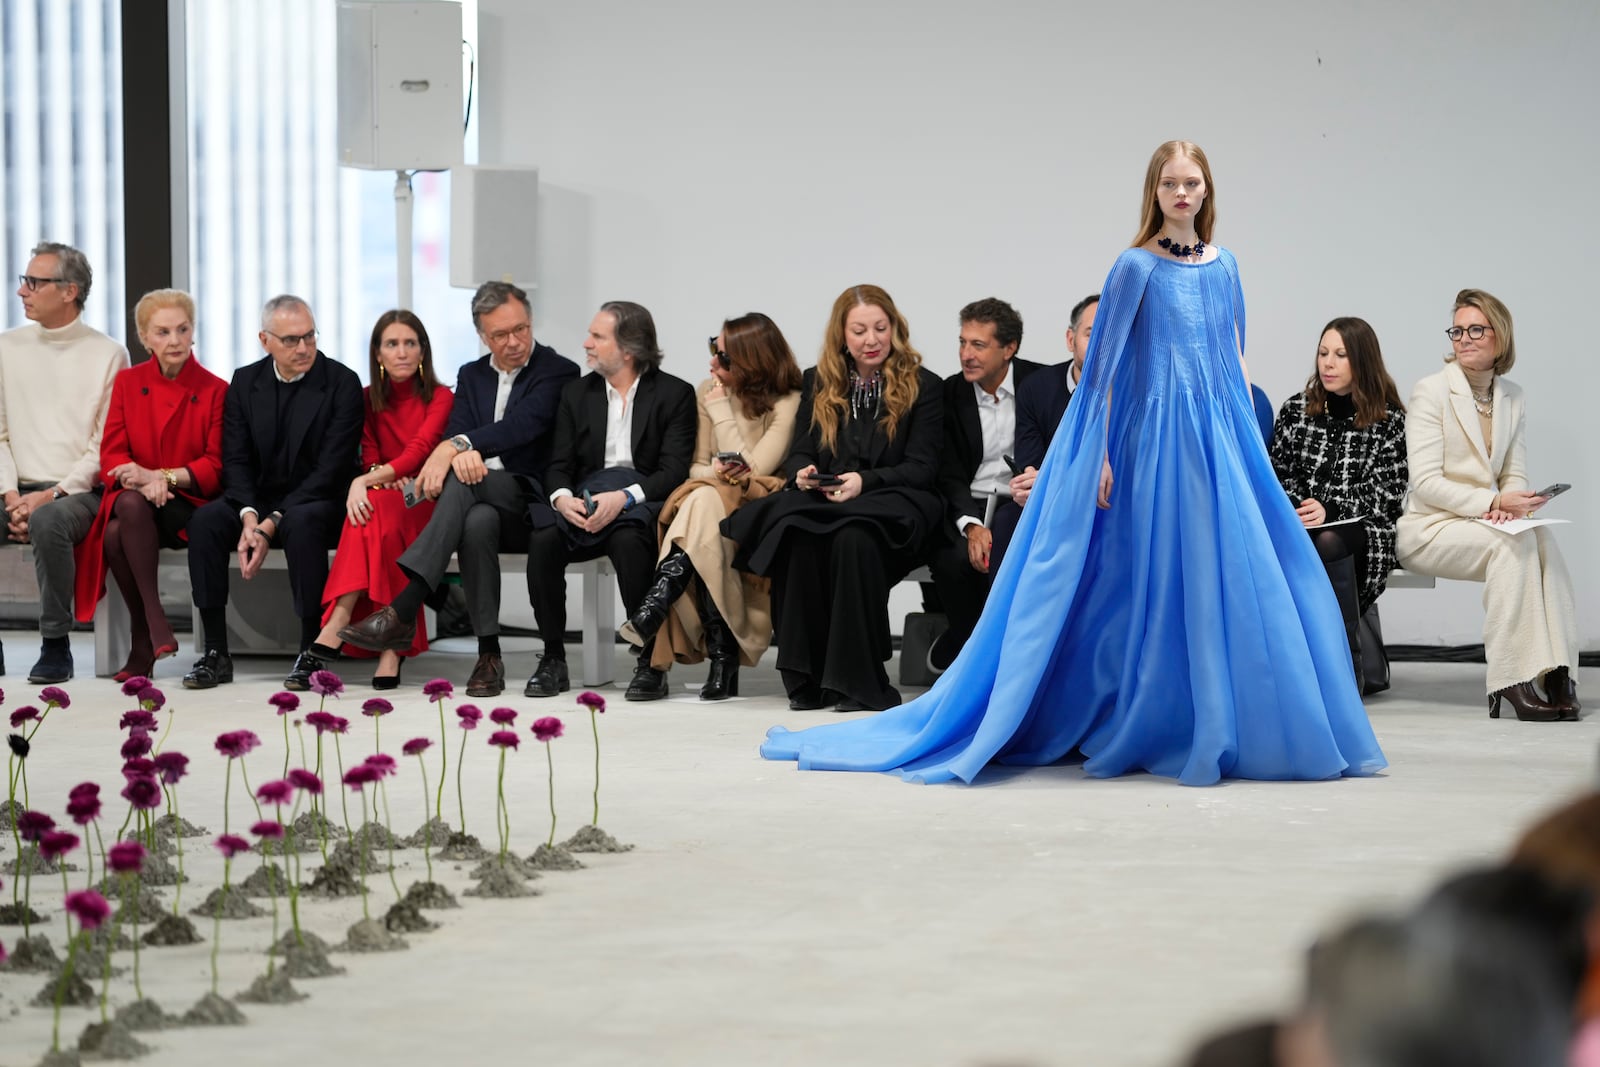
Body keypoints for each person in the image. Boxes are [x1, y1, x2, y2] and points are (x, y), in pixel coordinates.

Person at [759, 141, 1385, 785]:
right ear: (1155, 191)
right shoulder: (1134, 267)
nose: (1181, 193)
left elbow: (1234, 356)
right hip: (1152, 437)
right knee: (1148, 573)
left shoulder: (1226, 266)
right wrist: (1102, 452)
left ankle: (1216, 714)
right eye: (1169, 182)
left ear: (1206, 191)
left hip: (1216, 434)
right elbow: (1103, 371)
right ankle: (1142, 708)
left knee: (1222, 568)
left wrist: (1247, 441)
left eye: (1192, 182)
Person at [337, 282, 579, 698]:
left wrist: (460, 447)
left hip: (532, 501)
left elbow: (523, 426)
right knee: (476, 521)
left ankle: (406, 603)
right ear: (483, 336)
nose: (515, 341)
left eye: (520, 328)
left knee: (467, 482)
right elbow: (458, 428)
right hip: (480, 501)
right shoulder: (472, 374)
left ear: (531, 321)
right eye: (500, 335)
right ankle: (488, 658)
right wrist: (459, 447)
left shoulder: (557, 371)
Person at [725, 284, 944, 713]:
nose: (872, 339)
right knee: (798, 536)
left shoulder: (924, 385)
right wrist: (804, 472)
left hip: (894, 504)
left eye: (881, 328)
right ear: (841, 335)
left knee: (853, 540)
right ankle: (808, 678)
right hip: (828, 502)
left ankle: (857, 682)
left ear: (895, 329)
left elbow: (922, 469)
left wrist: (865, 481)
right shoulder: (818, 380)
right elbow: (803, 449)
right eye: (860, 330)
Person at [1395, 289, 1579, 721]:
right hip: (1429, 528)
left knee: (1542, 538)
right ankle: (1509, 678)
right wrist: (1491, 501)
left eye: (1476, 328)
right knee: (1511, 547)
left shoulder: (1512, 395)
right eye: (1457, 330)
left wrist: (1515, 504)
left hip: (1481, 522)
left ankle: (1557, 673)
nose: (1464, 338)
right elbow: (1426, 483)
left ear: (1501, 335)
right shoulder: (1431, 391)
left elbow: (1514, 472)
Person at [182, 295, 363, 690]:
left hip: (319, 501)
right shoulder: (246, 382)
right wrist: (250, 517)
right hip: (256, 501)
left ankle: (310, 651)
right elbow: (236, 459)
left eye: (310, 337)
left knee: (301, 522)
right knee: (207, 522)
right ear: (265, 340)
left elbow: (331, 470)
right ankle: (215, 652)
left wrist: (271, 523)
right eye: (291, 340)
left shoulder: (341, 383)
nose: (304, 348)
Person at [620, 312, 802, 700]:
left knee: (701, 507)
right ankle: (722, 659)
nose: (712, 364)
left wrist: (721, 414)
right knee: (704, 511)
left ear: (752, 362)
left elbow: (758, 467)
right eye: (712, 349)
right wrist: (720, 470)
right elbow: (697, 464)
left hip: (762, 503)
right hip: (713, 501)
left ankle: (657, 605)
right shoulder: (710, 389)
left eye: (723, 357)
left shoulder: (788, 400)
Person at [524, 301, 696, 701]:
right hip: (586, 499)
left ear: (629, 348)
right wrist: (562, 498)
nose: (586, 344)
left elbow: (673, 472)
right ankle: (552, 658)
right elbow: (558, 465)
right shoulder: (575, 394)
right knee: (544, 538)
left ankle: (651, 662)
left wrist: (625, 498)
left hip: (641, 500)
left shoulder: (675, 394)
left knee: (628, 540)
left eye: (597, 337)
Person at [70, 289, 226, 682]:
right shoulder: (127, 382)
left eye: (182, 329)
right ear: (144, 338)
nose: (174, 340)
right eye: (162, 332)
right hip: (138, 499)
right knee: (126, 512)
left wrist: (162, 477)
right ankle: (153, 624)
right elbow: (112, 455)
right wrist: (139, 479)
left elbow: (215, 464)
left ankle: (147, 632)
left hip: (185, 503)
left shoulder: (215, 388)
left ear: (193, 332)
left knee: (117, 529)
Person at [0, 241, 129, 681]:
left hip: (78, 492)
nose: (23, 291)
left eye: (35, 282)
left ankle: (56, 644)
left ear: (70, 291)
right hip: (17, 486)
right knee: (35, 515)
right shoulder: (6, 348)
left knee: (49, 520)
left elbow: (103, 446)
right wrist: (14, 495)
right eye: (25, 281)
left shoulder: (108, 354)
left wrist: (49, 495)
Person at [307, 310, 453, 689]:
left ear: (423, 351)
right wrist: (375, 477)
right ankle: (391, 649)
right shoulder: (366, 399)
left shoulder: (441, 396)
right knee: (376, 513)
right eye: (392, 344)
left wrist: (367, 480)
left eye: (410, 343)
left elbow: (420, 451)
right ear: (378, 353)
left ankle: (337, 620)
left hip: (429, 499)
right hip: (387, 496)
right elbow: (371, 454)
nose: (402, 352)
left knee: (371, 507)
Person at [1268, 317, 1407, 692]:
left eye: (1340, 355)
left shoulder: (1389, 419)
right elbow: (1278, 474)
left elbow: (1388, 493)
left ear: (1362, 361)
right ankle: (1304, 668)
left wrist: (1332, 508)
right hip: (1299, 522)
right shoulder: (1297, 410)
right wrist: (1300, 506)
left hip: (1365, 527)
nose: (1327, 363)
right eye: (1323, 353)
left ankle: (1346, 665)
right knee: (1308, 540)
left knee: (1328, 540)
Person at [924, 298, 1044, 670]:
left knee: (1014, 558)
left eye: (978, 345)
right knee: (953, 560)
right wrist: (972, 525)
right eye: (962, 343)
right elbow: (947, 473)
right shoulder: (947, 394)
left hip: (1024, 501)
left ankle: (1012, 655)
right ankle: (968, 644)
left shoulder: (1039, 384)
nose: (966, 354)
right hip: (967, 504)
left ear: (1009, 348)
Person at [990, 292, 1098, 580]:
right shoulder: (1037, 388)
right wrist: (1030, 485)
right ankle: (1006, 624)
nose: (1102, 346)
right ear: (1070, 339)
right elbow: (1030, 463)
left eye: (1112, 336)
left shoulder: (1136, 395)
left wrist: (1058, 484)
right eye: (1091, 334)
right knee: (1007, 520)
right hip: (1047, 501)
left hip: (1104, 503)